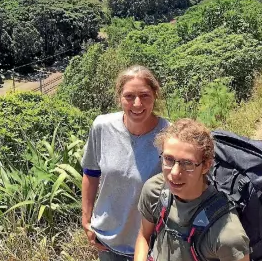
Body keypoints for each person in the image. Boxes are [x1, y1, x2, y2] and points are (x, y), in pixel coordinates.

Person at [81, 65, 170, 260]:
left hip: (150, 244)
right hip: (107, 240)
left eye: (144, 95)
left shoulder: (168, 135)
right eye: (129, 96)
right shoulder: (102, 127)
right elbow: (91, 172)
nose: (137, 104)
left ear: (155, 95)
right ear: (119, 97)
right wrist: (86, 220)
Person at [134, 119, 250, 261]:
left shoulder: (227, 235)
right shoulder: (154, 191)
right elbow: (144, 236)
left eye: (187, 163)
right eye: (168, 159)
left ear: (206, 166)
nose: (175, 173)